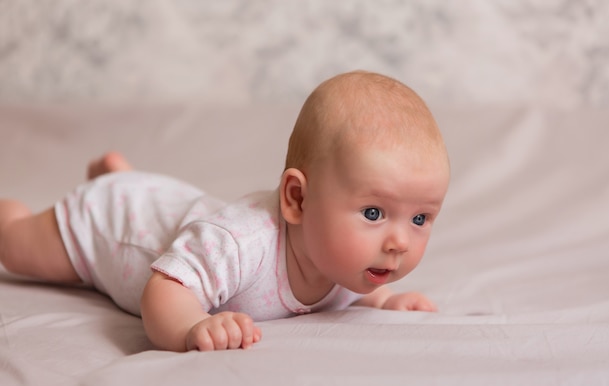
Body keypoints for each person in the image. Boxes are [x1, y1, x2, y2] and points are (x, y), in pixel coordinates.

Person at [0, 71, 450, 352]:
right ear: (297, 200)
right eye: (373, 213)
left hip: (167, 202)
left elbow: (349, 285)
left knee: (156, 199)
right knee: (18, 248)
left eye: (419, 219)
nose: (399, 243)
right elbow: (163, 289)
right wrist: (193, 325)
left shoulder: (346, 256)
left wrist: (386, 299)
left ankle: (117, 173)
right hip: (109, 222)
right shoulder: (239, 243)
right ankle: (77, 194)